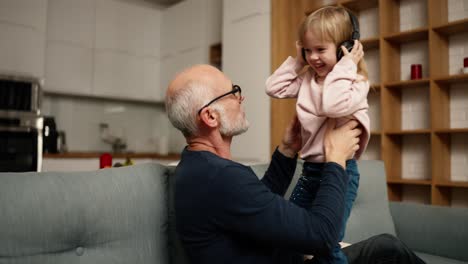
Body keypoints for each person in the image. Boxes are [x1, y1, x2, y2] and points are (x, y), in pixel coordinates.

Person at [165, 64, 425, 264]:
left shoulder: (197, 168)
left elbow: (255, 205)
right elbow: (322, 236)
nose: (241, 98)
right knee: (386, 249)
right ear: (210, 116)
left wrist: (287, 150)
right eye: (233, 92)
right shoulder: (219, 177)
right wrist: (335, 158)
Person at [265, 6, 370, 263]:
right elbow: (273, 88)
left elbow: (331, 105)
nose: (313, 58)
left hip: (341, 173)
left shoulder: (354, 83)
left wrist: (345, 66)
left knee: (326, 243)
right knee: (289, 234)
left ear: (346, 46)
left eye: (320, 50)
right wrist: (297, 61)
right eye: (307, 50)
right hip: (310, 171)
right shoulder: (308, 79)